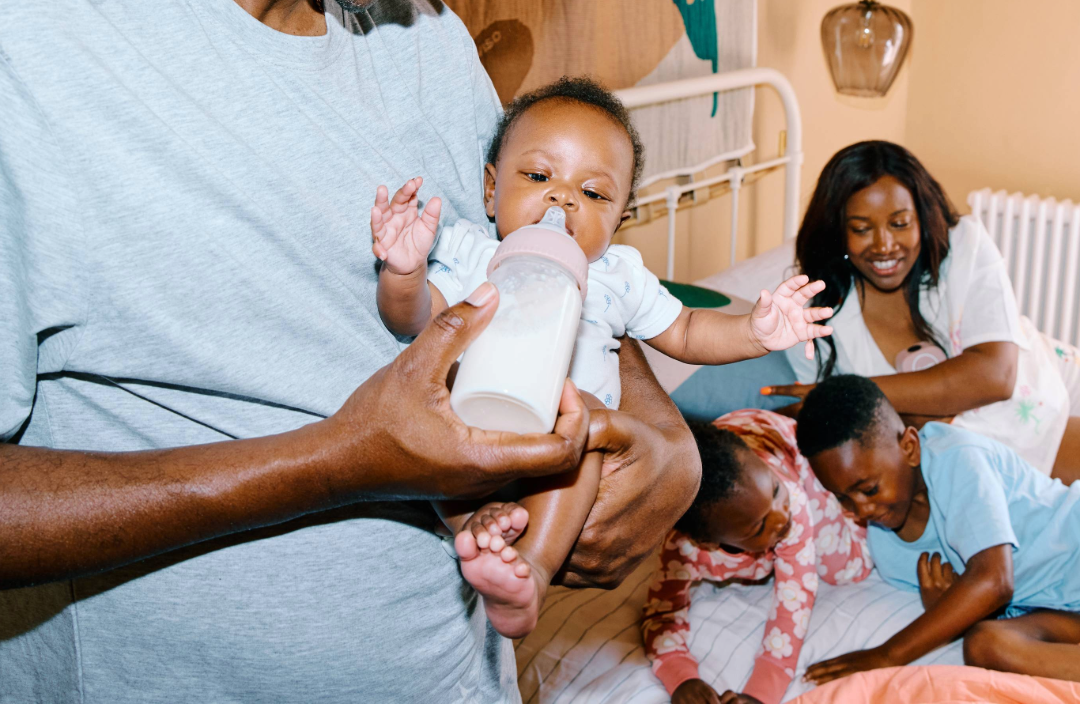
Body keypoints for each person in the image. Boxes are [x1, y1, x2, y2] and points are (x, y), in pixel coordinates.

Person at [0, 0, 702, 700]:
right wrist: (334, 461)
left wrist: (660, 430)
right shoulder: (28, 27)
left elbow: (538, 258)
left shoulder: (427, 44)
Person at [372, 78, 835, 639]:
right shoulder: (472, 251)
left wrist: (755, 332)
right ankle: (476, 526)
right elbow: (417, 320)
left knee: (588, 420)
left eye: (593, 194)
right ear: (491, 190)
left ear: (620, 217)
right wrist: (404, 272)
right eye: (538, 177)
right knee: (433, 431)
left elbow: (686, 329)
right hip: (472, 429)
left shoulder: (617, 276)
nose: (562, 199)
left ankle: (530, 573)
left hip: (566, 450)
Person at [763, 140, 1080, 481]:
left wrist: (852, 396)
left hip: (1044, 400)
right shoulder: (814, 314)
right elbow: (834, 428)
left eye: (900, 223)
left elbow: (996, 376)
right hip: (964, 458)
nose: (884, 245)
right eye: (861, 229)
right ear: (838, 232)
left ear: (922, 218)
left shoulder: (964, 247)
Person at [797, 374, 1080, 685]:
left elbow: (995, 580)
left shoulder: (955, 457)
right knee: (985, 646)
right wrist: (953, 610)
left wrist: (886, 655)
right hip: (1065, 611)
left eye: (870, 489)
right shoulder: (888, 553)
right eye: (843, 498)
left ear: (910, 447)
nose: (861, 510)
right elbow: (999, 605)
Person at [641, 410, 871, 704]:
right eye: (759, 526)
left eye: (775, 492)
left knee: (848, 570)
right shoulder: (684, 547)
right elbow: (660, 614)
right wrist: (681, 677)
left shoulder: (790, 499)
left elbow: (794, 600)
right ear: (707, 543)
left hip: (785, 443)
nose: (781, 517)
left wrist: (760, 694)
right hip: (739, 463)